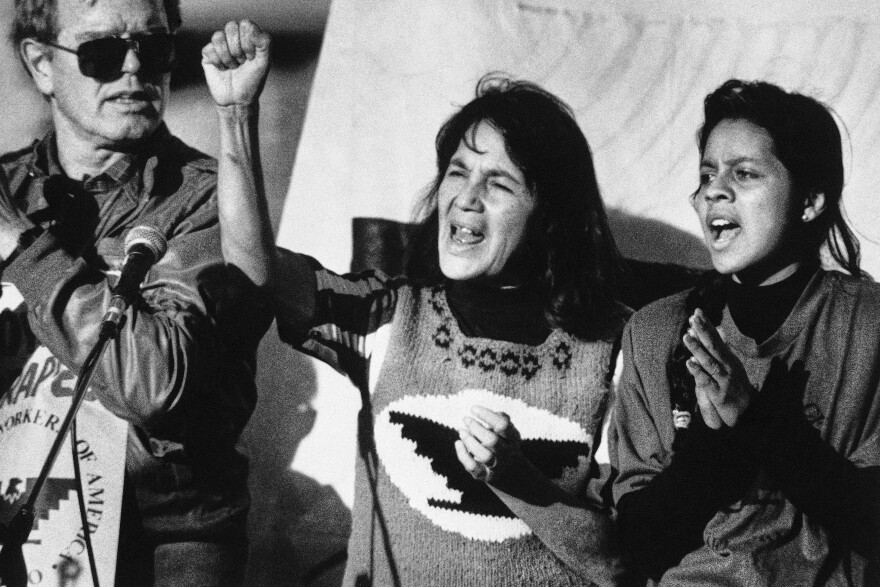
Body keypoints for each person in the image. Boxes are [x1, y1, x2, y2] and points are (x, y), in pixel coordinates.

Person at [205, 23, 630, 586]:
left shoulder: (616, 351)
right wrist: (237, 114)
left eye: (499, 184)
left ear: (551, 217)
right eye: (458, 172)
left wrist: (519, 481)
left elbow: (621, 563)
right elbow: (252, 269)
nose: (465, 198)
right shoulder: (388, 317)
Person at [1, 2, 271, 584]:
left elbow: (155, 385)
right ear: (41, 65)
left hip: (163, 541)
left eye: (153, 49)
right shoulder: (8, 190)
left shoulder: (210, 199)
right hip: (21, 521)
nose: (133, 70)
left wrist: (23, 249)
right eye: (101, 52)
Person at [611, 78, 880, 585]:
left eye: (745, 173)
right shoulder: (655, 333)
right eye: (707, 173)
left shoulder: (868, 328)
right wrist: (712, 447)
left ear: (810, 200)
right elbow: (635, 546)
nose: (714, 189)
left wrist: (756, 420)